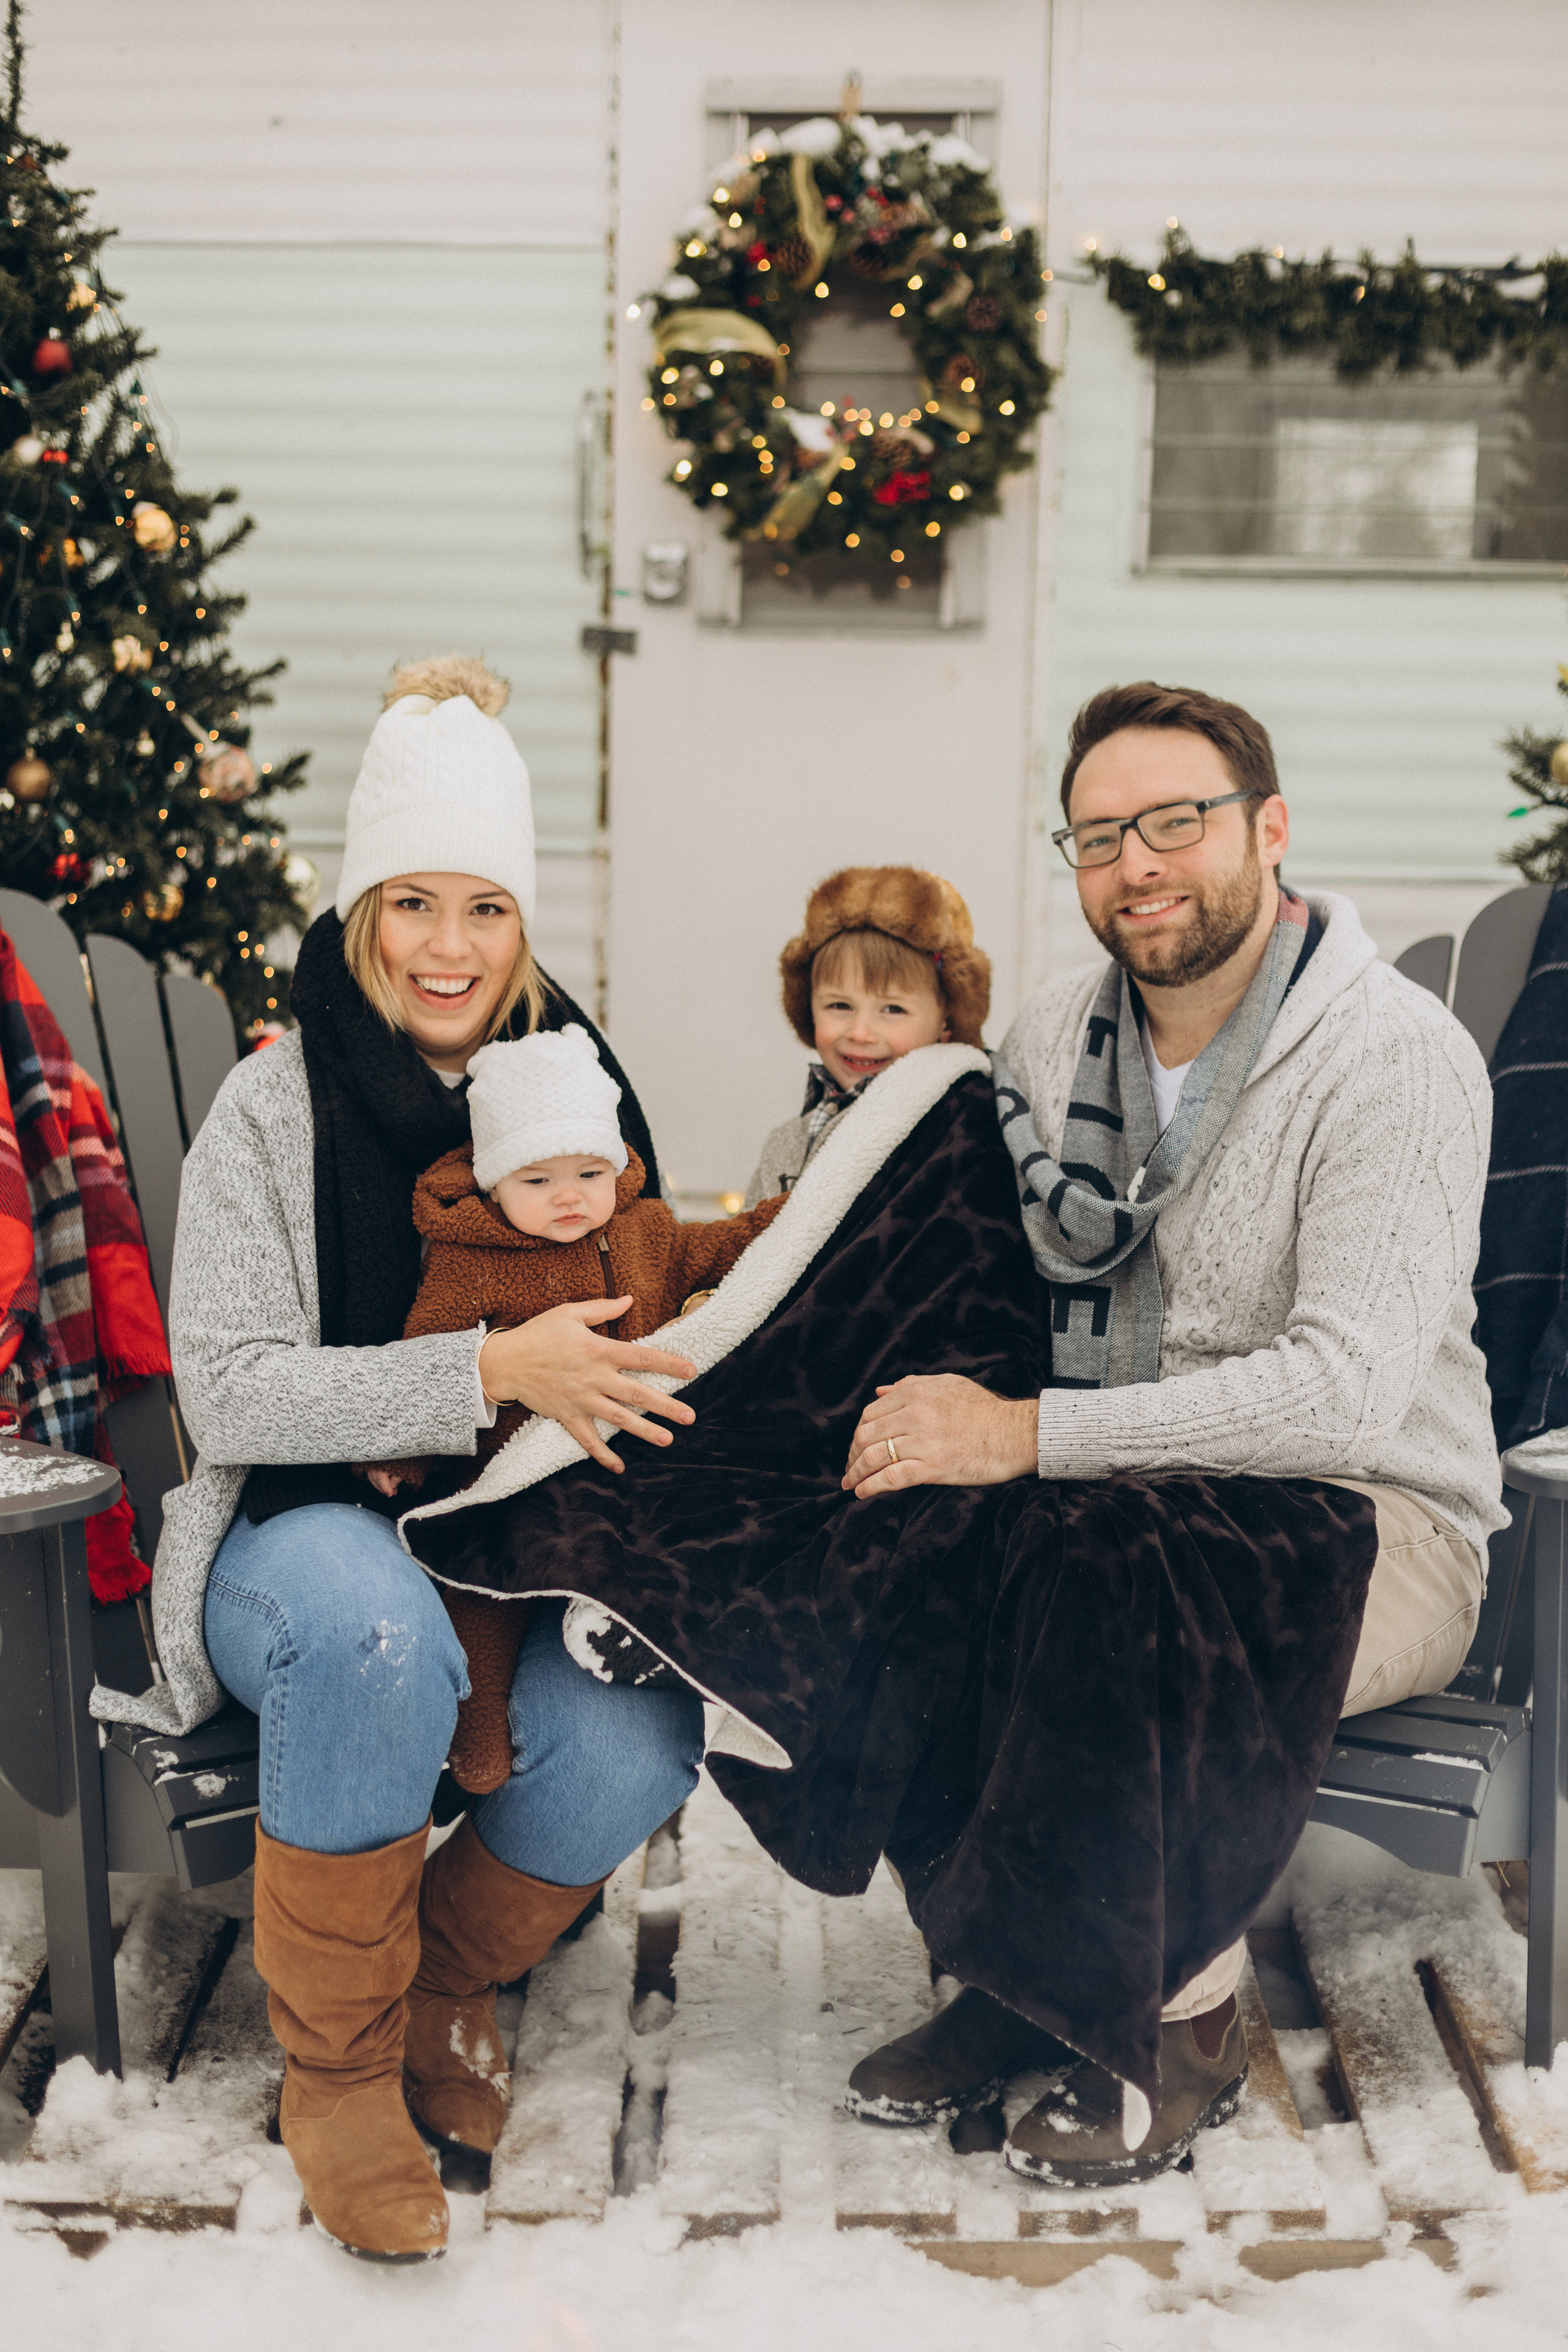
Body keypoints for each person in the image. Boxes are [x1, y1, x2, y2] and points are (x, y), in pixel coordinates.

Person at [837, 680, 1504, 2185]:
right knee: (916, 1540)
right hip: (1106, 1493)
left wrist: (1024, 1438)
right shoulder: (1050, 1037)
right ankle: (1017, 1972)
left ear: (1267, 830)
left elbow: (1341, 1389)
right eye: (1095, 837)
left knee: (1114, 1578)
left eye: (1173, 822)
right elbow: (978, 1291)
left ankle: (1171, 2023)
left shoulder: (1386, 1057)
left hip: (1375, 1519)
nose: (1133, 863)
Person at [93, 655, 710, 2264]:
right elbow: (232, 1398)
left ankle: (439, 1981)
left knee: (637, 1738)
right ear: (362, 911)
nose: (450, 947)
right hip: (297, 1538)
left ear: (524, 925)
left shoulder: (578, 1095)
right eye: (414, 904)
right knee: (374, 1633)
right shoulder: (271, 1107)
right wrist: (485, 1373)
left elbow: (649, 1297)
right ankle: (341, 2074)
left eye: (487, 908)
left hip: (523, 1549)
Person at [360, 1021, 786, 1801]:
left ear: (617, 1165)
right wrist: (404, 1452)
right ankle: (475, 1729)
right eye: (537, 1179)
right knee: (482, 1593)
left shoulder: (646, 1232)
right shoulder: (471, 1260)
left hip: (622, 1481)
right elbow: (430, 1349)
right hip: (508, 1486)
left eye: (590, 1172)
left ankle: (650, 1637)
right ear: (493, 1184)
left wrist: (786, 1216)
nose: (569, 1196)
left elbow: (719, 1249)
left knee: (679, 1540)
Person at [742, 865, 991, 1208]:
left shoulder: (957, 1128)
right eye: (840, 1005)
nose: (860, 1034)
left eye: (893, 1009)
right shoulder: (785, 1143)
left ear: (946, 1021)